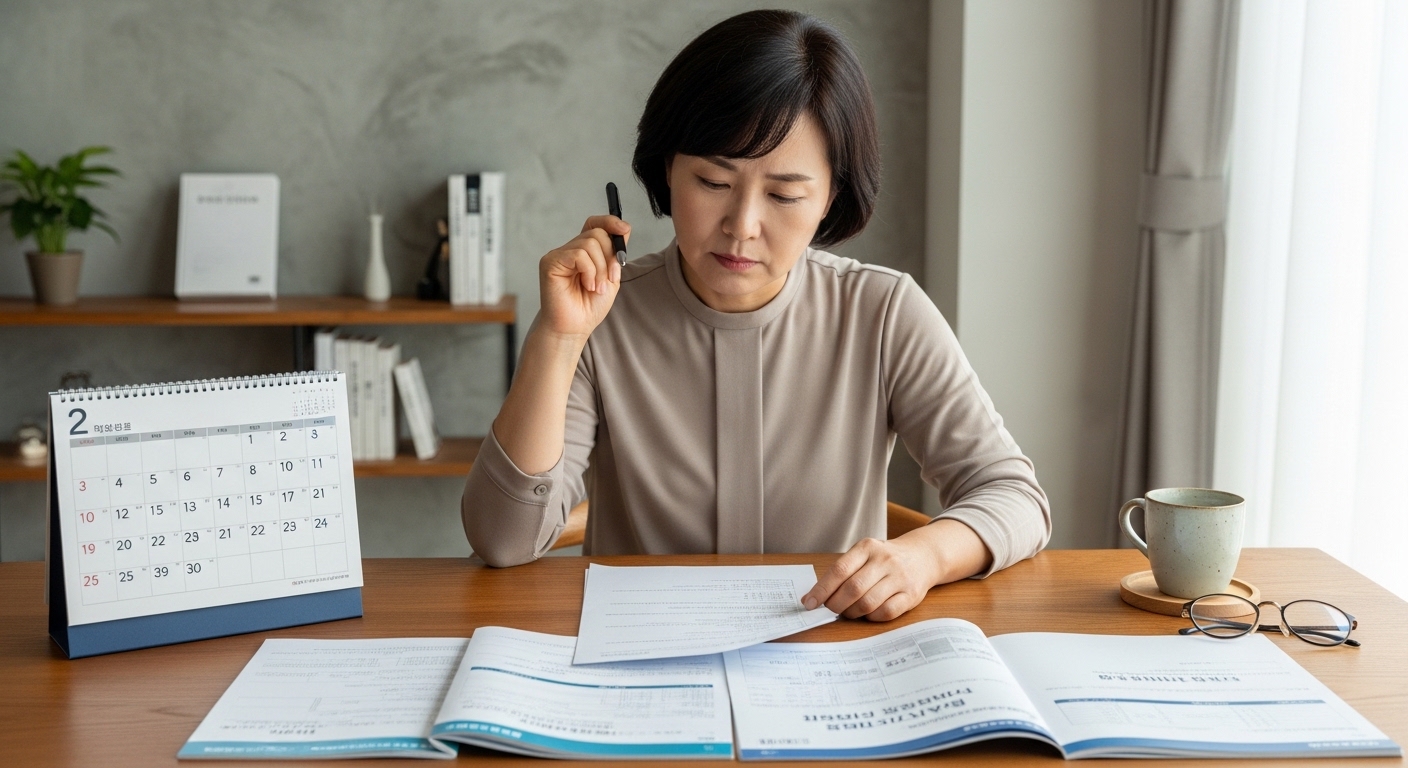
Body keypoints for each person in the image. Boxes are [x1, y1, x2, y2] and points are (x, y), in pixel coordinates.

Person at [463, 9, 1050, 622]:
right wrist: (558, 337)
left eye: (784, 195)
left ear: (830, 199)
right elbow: (503, 541)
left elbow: (1015, 498)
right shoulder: (601, 314)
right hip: (641, 663)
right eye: (714, 181)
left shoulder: (882, 312)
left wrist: (923, 558)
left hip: (826, 657)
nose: (742, 226)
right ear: (668, 169)